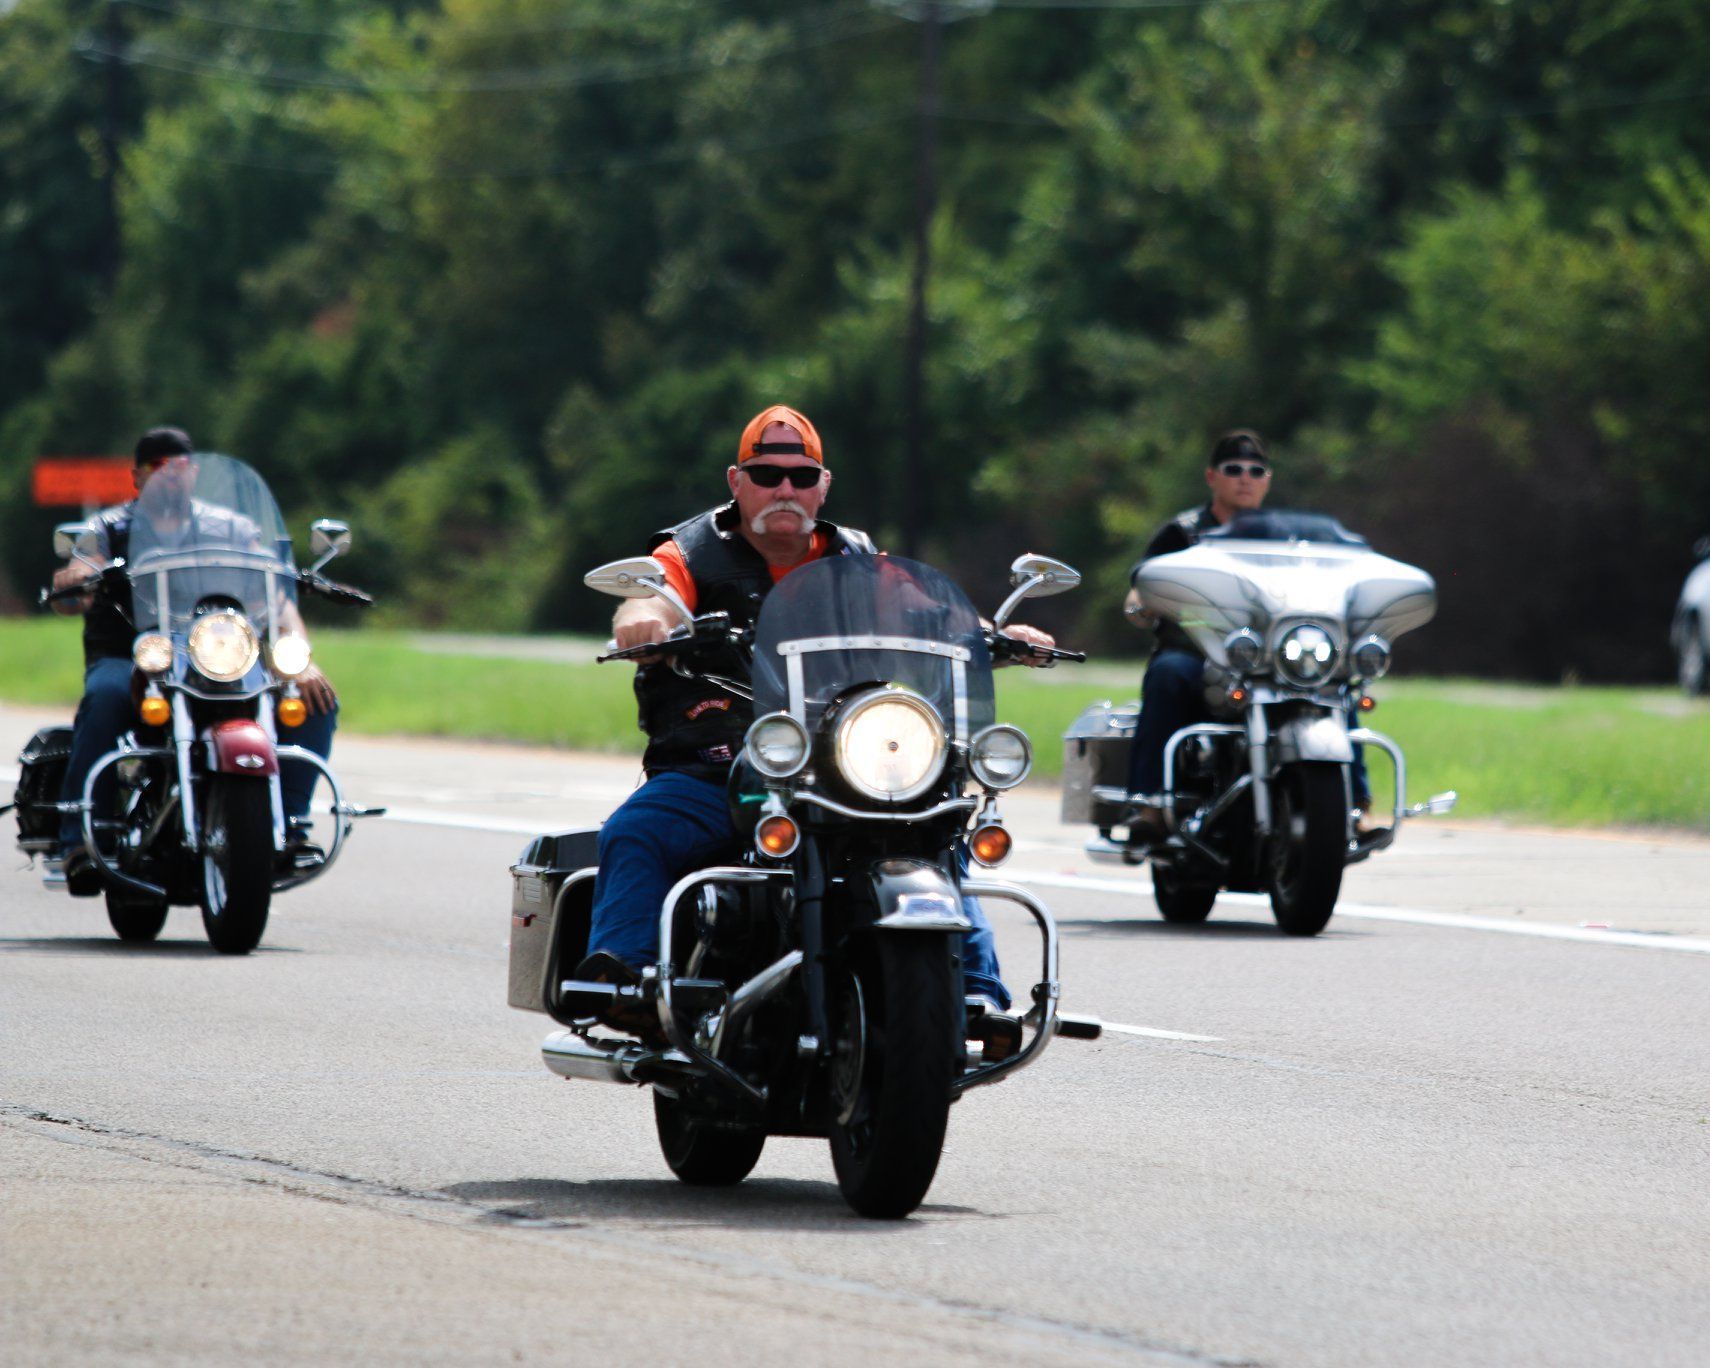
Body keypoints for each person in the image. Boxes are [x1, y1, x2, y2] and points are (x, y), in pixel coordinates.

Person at [583, 404, 1055, 1052]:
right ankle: (626, 980)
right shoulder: (690, 550)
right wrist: (643, 621)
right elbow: (653, 592)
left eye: (801, 476)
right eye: (767, 473)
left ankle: (974, 992)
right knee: (639, 830)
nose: (785, 489)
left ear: (823, 486)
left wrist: (994, 634)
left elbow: (937, 613)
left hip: (842, 765)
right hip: (722, 764)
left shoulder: (856, 558)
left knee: (935, 834)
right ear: (736, 480)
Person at [47, 427, 339, 891]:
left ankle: (290, 824)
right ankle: (83, 837)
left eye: (179, 467)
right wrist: (77, 577)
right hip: (137, 655)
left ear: (195, 472)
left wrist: (300, 656)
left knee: (313, 695)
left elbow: (277, 596)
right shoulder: (109, 528)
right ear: (137, 477)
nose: (169, 477)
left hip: (218, 653)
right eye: (156, 468)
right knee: (105, 696)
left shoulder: (231, 528)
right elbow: (73, 587)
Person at [1123, 430, 1379, 837]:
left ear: (1268, 479)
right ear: (1212, 477)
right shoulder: (1183, 532)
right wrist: (1142, 603)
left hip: (1270, 656)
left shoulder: (1288, 539)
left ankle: (1355, 806)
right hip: (1200, 655)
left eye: (1256, 470)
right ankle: (1151, 804)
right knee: (1167, 674)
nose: (1245, 477)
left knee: (1335, 683)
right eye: (1234, 469)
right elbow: (1142, 586)